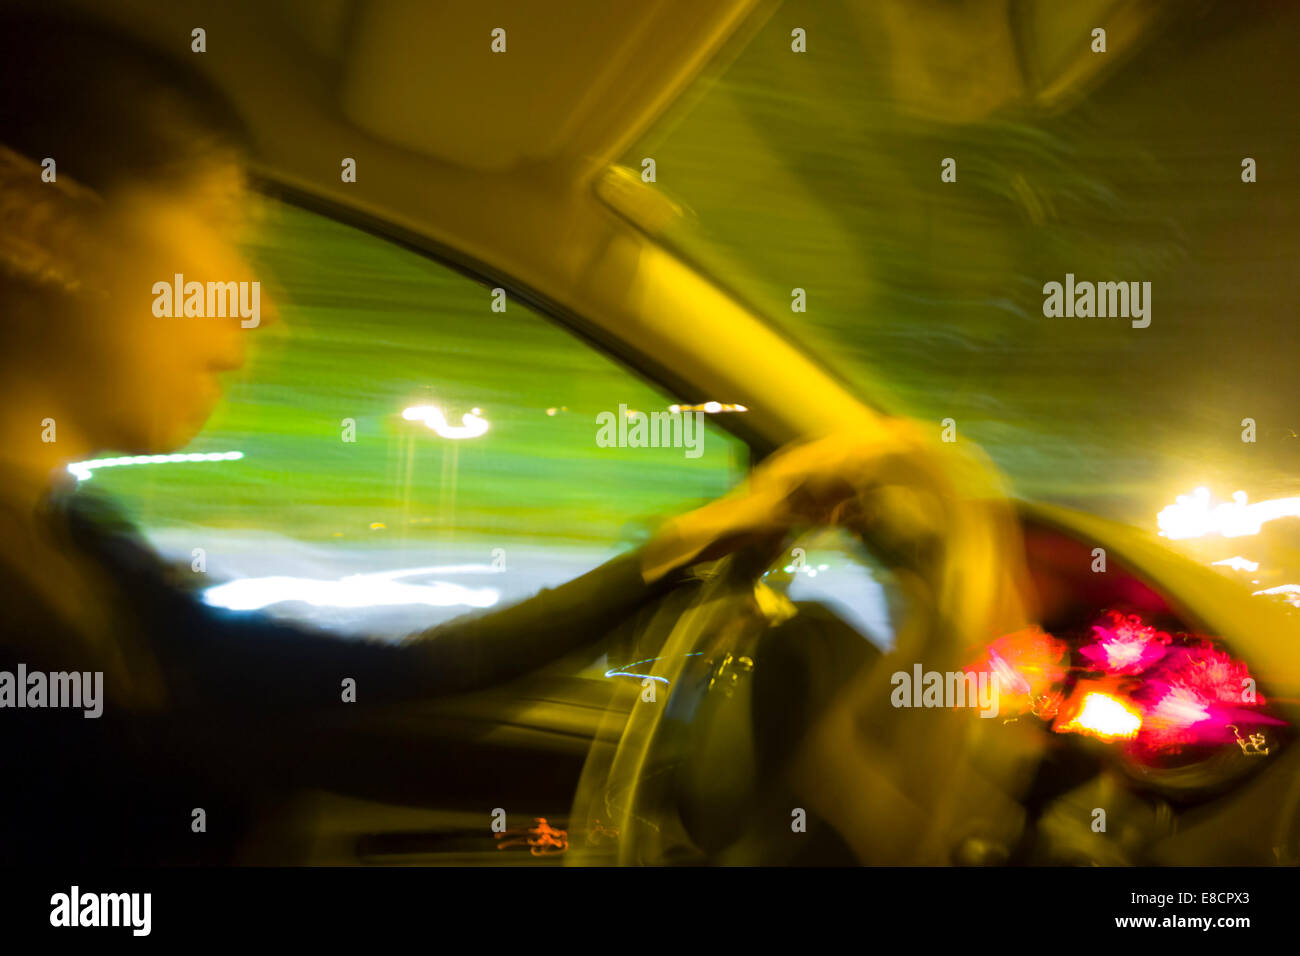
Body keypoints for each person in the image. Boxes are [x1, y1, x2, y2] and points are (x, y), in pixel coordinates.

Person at [0, 16, 892, 864]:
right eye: (228, 229)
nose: (262, 303)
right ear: (32, 223)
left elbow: (397, 674)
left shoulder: (77, 541)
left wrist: (694, 541)